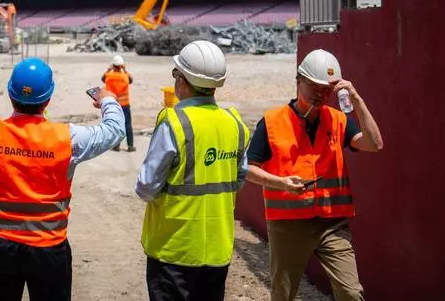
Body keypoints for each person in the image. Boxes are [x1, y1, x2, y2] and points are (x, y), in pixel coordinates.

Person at [0, 57, 125, 301]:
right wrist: (107, 100)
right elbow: (114, 129)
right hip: (48, 247)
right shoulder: (67, 138)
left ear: (10, 94)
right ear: (47, 99)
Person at [246, 49, 383, 301]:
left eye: (327, 89)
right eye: (315, 86)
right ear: (299, 81)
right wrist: (281, 182)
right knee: (283, 294)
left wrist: (357, 99)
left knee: (351, 293)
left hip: (332, 224)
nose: (321, 94)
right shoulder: (272, 122)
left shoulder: (338, 120)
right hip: (288, 225)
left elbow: (375, 144)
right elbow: (247, 169)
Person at [135, 40, 250, 301]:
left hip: (174, 250)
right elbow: (239, 178)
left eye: (176, 74)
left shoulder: (174, 122)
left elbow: (146, 186)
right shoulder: (235, 122)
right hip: (218, 249)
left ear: (183, 81)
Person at [103, 55, 135, 152]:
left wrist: (108, 69)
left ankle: (116, 146)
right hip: (124, 104)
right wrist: (125, 70)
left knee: (115, 125)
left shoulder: (108, 76)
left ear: (113, 65)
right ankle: (130, 146)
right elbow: (131, 80)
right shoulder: (125, 76)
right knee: (128, 125)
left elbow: (102, 78)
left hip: (113, 104)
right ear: (121, 65)